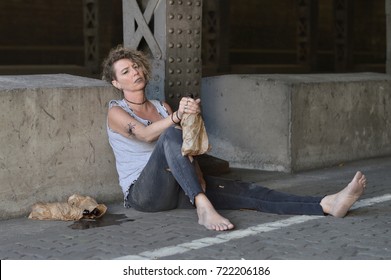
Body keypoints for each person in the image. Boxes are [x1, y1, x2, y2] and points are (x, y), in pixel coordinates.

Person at [102, 45, 367, 232]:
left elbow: (186, 149)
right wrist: (176, 118)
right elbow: (146, 134)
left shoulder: (161, 107)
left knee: (248, 192)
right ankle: (203, 208)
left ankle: (326, 204)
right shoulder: (117, 111)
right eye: (125, 71)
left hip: (180, 187)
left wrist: (199, 178)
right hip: (143, 195)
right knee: (171, 132)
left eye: (136, 66)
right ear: (116, 83)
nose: (134, 72)